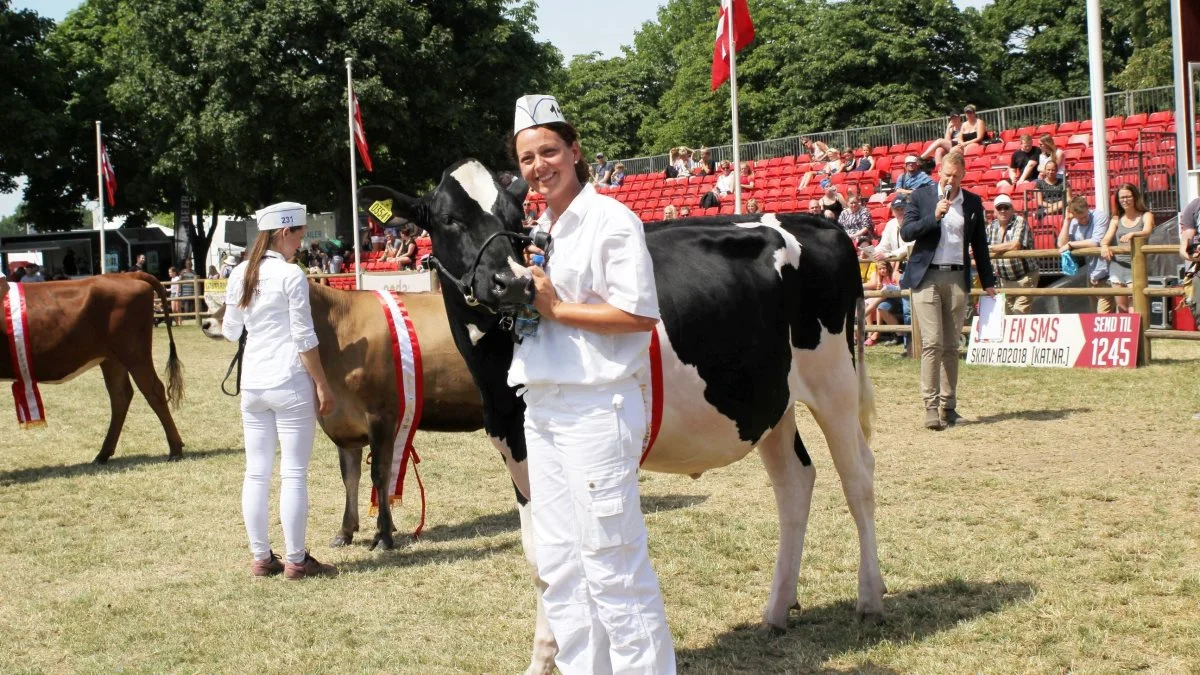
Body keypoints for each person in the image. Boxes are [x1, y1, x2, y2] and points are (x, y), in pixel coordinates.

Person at [509, 94, 675, 673]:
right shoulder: (542, 229)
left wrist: (556, 310)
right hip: (545, 408)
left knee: (614, 565)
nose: (539, 166)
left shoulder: (611, 220)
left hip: (596, 409)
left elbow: (638, 315)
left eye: (549, 151)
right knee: (561, 567)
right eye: (528, 157)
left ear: (575, 153)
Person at [222, 201, 338, 580]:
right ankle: (295, 560)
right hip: (289, 381)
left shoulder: (240, 273)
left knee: (256, 473)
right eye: (299, 234)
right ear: (284, 233)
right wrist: (323, 384)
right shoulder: (291, 276)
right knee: (294, 473)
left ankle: (261, 557)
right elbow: (305, 338)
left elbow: (230, 331)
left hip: (253, 383)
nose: (301, 241)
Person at [900, 152, 996, 430]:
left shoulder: (973, 203)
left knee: (952, 346)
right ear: (939, 172)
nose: (949, 180)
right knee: (932, 343)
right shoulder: (921, 197)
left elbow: (980, 246)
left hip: (956, 277)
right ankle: (930, 407)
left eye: (955, 176)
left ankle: (949, 406)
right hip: (926, 277)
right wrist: (934, 216)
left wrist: (988, 281)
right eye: (945, 174)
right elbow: (908, 232)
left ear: (963, 175)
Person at [1100, 183, 1155, 313]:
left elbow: (1147, 231)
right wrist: (1104, 245)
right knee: (1122, 307)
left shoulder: (1146, 215)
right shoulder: (1116, 218)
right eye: (1122, 197)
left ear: (1135, 197)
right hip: (1117, 266)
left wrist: (1134, 234)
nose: (1125, 200)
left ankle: (1139, 333)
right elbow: (1106, 237)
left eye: (1128, 196)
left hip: (1136, 265)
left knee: (1135, 306)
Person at [1058, 196, 1112, 314]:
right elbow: (1061, 244)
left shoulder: (1099, 216)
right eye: (1080, 218)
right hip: (1092, 274)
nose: (1083, 220)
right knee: (1094, 316)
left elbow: (1096, 242)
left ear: (1088, 208)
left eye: (1085, 216)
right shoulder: (1073, 222)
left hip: (1108, 273)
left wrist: (1071, 244)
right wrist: (1067, 221)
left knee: (1103, 317)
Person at [985, 194, 1038, 314]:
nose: (1003, 211)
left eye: (1006, 207)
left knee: (1019, 315)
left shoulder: (1020, 221)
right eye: (999, 208)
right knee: (1006, 316)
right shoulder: (991, 227)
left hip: (1025, 277)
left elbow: (1015, 245)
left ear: (1012, 209)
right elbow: (982, 246)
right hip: (1004, 280)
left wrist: (990, 248)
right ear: (994, 211)